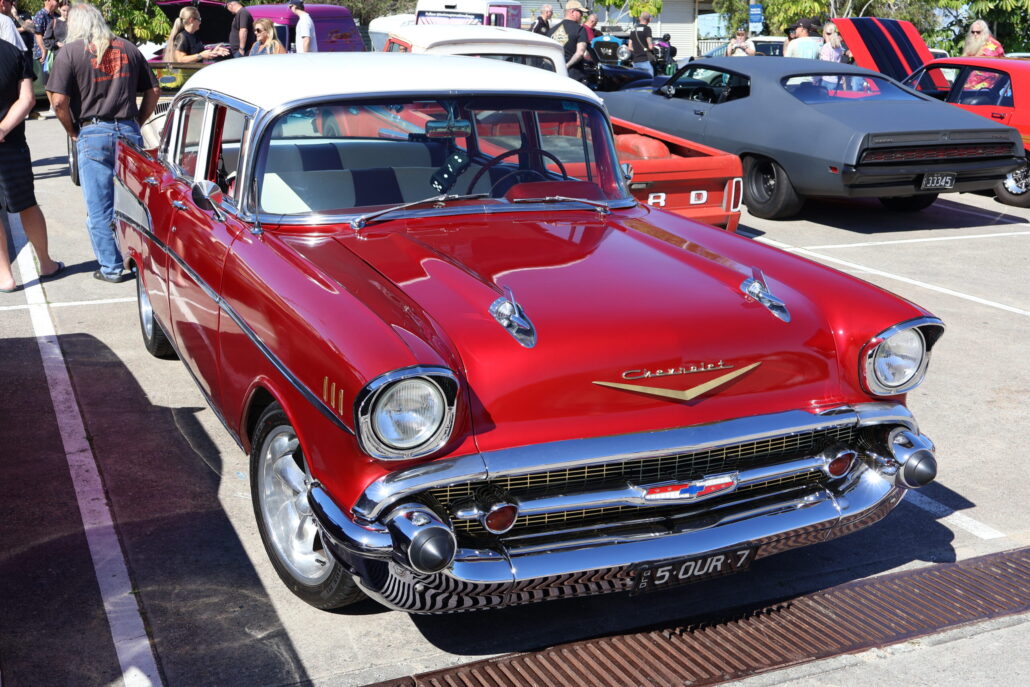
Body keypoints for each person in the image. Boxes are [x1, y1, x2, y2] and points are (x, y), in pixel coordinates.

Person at [47, 3, 159, 283]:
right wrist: (137, 121)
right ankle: (141, 260)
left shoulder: (70, 52)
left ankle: (111, 267)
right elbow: (154, 90)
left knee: (99, 206)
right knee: (134, 202)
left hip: (93, 131)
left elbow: (58, 101)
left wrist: (72, 131)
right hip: (128, 130)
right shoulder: (128, 48)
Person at [0, 35, 62, 292]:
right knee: (27, 205)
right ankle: (46, 263)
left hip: (11, 142)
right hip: (12, 144)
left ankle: (5, 277)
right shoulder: (13, 53)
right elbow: (27, 99)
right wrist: (2, 129)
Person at [163, 5, 228, 63]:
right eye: (199, 19)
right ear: (191, 20)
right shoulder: (182, 36)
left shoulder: (194, 36)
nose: (200, 22)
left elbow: (199, 54)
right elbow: (180, 59)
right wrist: (201, 56)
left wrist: (214, 52)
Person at [547, 0, 588, 84]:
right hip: (573, 76)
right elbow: (580, 52)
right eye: (580, 12)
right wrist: (566, 66)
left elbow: (546, 54)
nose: (582, 15)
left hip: (553, 75)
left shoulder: (551, 30)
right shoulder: (580, 29)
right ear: (572, 12)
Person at [629, 11, 653, 76]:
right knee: (649, 78)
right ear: (649, 19)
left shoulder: (633, 30)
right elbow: (650, 47)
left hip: (635, 61)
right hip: (644, 60)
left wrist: (637, 50)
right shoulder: (647, 29)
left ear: (640, 18)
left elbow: (630, 47)